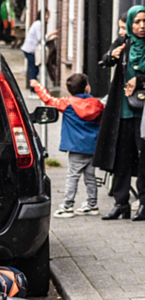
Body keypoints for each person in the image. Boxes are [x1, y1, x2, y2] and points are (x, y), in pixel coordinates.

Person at [94, 5, 145, 220]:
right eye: (137, 22)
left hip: (143, 113)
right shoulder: (125, 42)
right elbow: (105, 61)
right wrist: (112, 55)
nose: (142, 26)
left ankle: (143, 201)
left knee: (144, 157)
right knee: (121, 156)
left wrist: (140, 80)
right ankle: (120, 202)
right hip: (123, 110)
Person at [31, 74, 104, 218]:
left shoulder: (67, 103)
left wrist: (37, 86)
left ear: (69, 90)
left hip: (76, 147)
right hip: (93, 146)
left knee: (72, 177)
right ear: (87, 88)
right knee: (90, 177)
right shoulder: (97, 104)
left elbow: (48, 100)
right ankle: (92, 204)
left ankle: (67, 206)